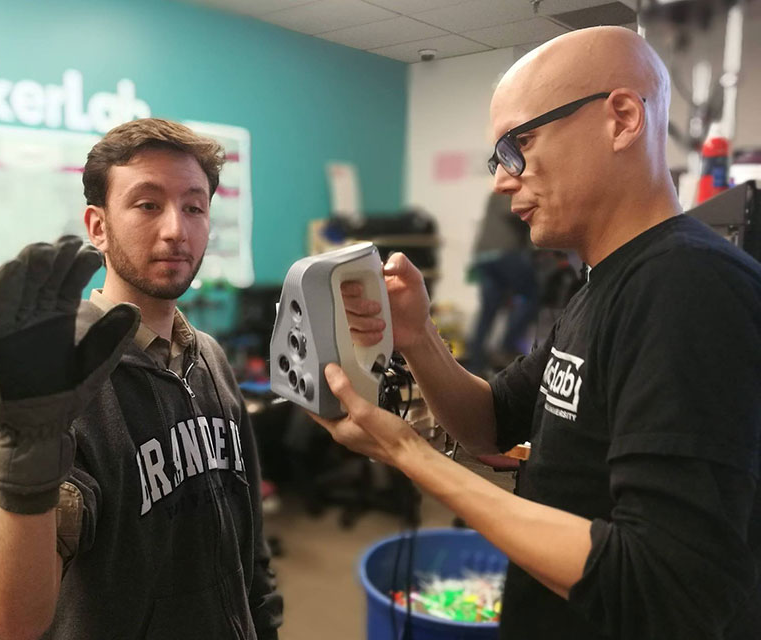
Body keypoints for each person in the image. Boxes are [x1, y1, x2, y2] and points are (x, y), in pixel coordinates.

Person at [321, 26, 760, 639]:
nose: (502, 180)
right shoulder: (602, 286)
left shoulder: (688, 285)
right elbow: (492, 421)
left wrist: (407, 452)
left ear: (623, 119)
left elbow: (662, 584)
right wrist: (417, 335)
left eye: (518, 144)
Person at [0, 118, 283, 640]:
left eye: (194, 206)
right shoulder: (61, 386)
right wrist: (26, 465)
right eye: (147, 204)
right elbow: (16, 621)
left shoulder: (209, 356)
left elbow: (248, 539)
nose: (175, 230)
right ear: (97, 226)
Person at [467, 192, 539, 373]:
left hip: (483, 256)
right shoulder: (512, 194)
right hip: (505, 254)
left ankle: (476, 365)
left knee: (488, 310)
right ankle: (507, 347)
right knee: (532, 297)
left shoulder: (494, 195)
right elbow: (518, 214)